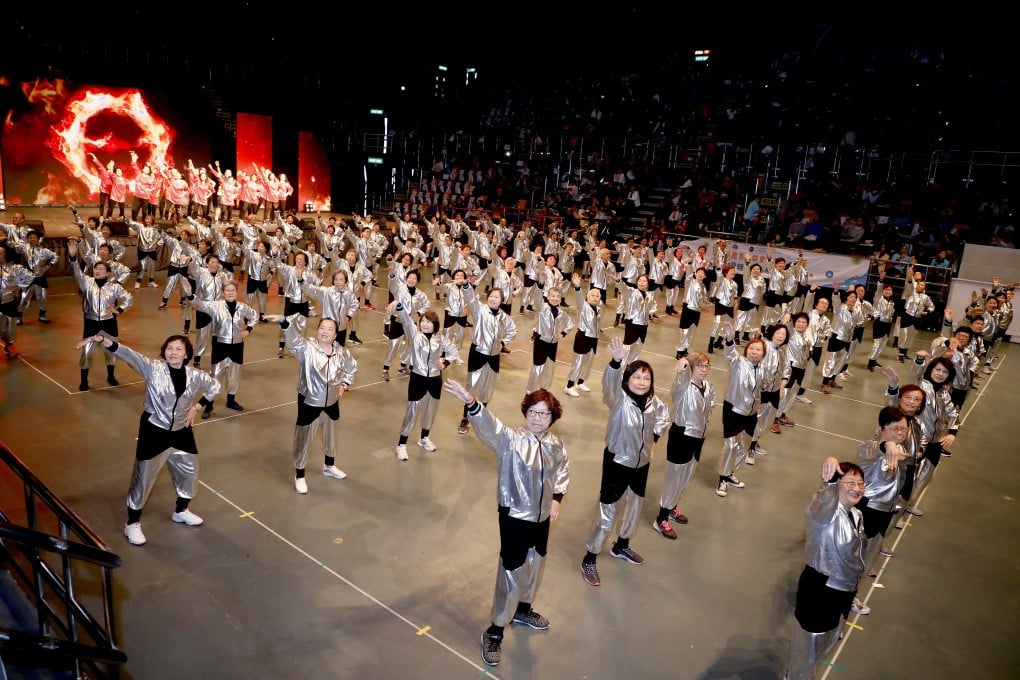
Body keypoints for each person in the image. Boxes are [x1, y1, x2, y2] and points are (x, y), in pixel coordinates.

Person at [442, 379, 569, 669]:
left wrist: (557, 498)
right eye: (533, 412)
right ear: (525, 413)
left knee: (536, 563)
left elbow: (562, 471)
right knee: (512, 572)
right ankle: (495, 630)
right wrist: (473, 403)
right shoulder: (511, 439)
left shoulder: (555, 444)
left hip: (542, 519)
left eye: (544, 413)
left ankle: (523, 610)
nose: (537, 418)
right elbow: (490, 427)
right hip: (515, 517)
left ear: (553, 417)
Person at [77, 333, 220, 546]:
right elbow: (127, 354)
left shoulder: (195, 374)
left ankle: (181, 511)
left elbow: (215, 386)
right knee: (143, 479)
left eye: (178, 349)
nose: (173, 352)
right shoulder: (152, 368)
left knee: (190, 473)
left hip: (182, 431)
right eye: (169, 348)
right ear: (164, 351)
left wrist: (197, 407)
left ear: (187, 353)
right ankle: (132, 524)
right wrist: (103, 341)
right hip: (154, 430)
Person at [580, 337, 670, 587]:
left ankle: (622, 545)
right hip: (618, 462)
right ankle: (590, 557)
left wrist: (653, 441)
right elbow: (609, 384)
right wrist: (617, 361)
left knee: (633, 508)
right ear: (628, 379)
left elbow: (664, 417)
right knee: (607, 512)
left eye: (646, 378)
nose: (641, 382)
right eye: (637, 377)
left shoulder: (654, 403)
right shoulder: (618, 400)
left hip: (641, 464)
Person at [785, 457, 868, 680]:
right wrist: (831, 468)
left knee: (826, 640)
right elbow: (826, 496)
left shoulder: (857, 514)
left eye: (860, 483)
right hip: (820, 589)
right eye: (849, 482)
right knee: (809, 647)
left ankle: (798, 674)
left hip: (844, 589)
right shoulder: (824, 512)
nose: (857, 488)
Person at [264, 314, 358, 493]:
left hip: (331, 401)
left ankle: (329, 466)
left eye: (330, 329)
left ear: (335, 334)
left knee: (331, 434)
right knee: (304, 438)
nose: (325, 331)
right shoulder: (307, 348)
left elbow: (352, 366)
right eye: (322, 327)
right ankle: (299, 474)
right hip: (310, 401)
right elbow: (294, 339)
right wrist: (284, 323)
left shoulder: (342, 351)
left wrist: (344, 384)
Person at [387, 285, 459, 460]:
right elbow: (405, 318)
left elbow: (454, 351)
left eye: (429, 322)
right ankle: (401, 444)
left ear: (435, 325)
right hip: (418, 378)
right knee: (412, 411)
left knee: (430, 411)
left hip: (435, 379)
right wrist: (399, 305)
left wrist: (446, 361)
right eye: (423, 321)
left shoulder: (440, 339)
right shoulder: (415, 335)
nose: (425, 324)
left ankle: (424, 438)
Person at [653, 352, 716, 537]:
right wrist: (683, 365)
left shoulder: (709, 387)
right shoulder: (682, 387)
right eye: (699, 366)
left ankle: (672, 507)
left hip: (699, 438)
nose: (704, 370)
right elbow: (680, 379)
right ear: (691, 367)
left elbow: (709, 409)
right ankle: (661, 518)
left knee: (687, 476)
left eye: (706, 366)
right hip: (682, 435)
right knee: (674, 478)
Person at [182, 279, 259, 418]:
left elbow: (254, 316)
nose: (230, 293)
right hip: (220, 345)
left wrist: (248, 330)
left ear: (237, 292)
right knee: (215, 375)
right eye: (227, 290)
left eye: (233, 290)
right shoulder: (215, 306)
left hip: (237, 345)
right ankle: (209, 404)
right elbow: (200, 305)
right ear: (223, 292)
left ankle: (231, 400)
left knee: (235, 374)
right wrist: (190, 295)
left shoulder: (243, 307)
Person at [66, 238, 134, 391]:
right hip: (90, 323)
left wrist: (120, 309)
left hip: (109, 322)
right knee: (86, 352)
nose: (97, 270)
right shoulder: (86, 283)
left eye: (101, 269)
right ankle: (84, 380)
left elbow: (129, 298)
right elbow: (76, 272)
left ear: (108, 273)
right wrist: (72, 257)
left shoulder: (114, 287)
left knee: (111, 351)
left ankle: (111, 376)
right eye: (95, 268)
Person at [457, 282, 518, 434]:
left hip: (494, 357)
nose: (493, 299)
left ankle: (481, 416)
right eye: (491, 296)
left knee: (487, 388)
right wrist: (466, 286)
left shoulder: (504, 317)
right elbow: (471, 299)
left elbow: (513, 330)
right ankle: (465, 417)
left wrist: (502, 343)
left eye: (497, 297)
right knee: (472, 386)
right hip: (478, 353)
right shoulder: (480, 310)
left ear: (502, 300)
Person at [715, 320, 765, 496]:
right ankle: (722, 479)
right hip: (734, 409)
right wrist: (729, 339)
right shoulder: (739, 363)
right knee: (730, 445)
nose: (754, 352)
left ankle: (729, 473)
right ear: (746, 350)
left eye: (758, 349)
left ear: (763, 354)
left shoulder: (762, 368)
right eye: (751, 348)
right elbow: (730, 354)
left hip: (751, 413)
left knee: (743, 447)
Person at [525, 287, 574, 394]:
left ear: (560, 299)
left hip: (553, 344)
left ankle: (544, 389)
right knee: (537, 368)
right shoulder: (542, 307)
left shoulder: (561, 313)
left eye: (558, 296)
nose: (555, 298)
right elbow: (537, 297)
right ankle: (530, 391)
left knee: (550, 368)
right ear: (548, 297)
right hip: (541, 342)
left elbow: (570, 323)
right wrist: (541, 283)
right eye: (553, 296)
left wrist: (563, 333)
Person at [564, 273, 605, 397]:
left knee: (589, 362)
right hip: (583, 337)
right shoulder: (583, 306)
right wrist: (577, 287)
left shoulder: (598, 309)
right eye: (592, 295)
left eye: (597, 296)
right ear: (587, 297)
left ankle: (581, 382)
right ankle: (569, 385)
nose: (595, 297)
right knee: (578, 362)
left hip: (594, 338)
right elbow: (579, 299)